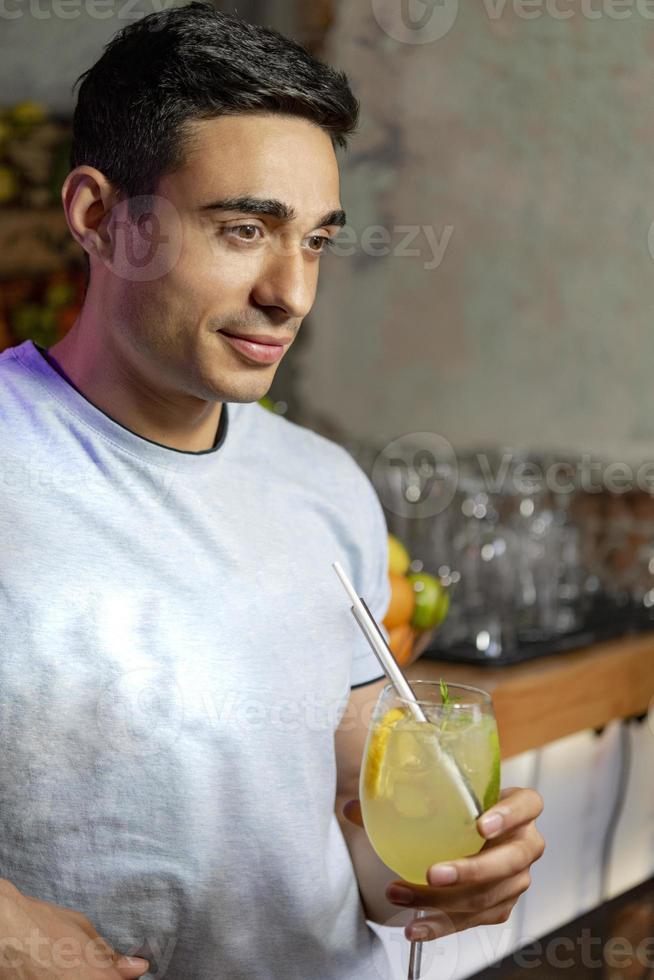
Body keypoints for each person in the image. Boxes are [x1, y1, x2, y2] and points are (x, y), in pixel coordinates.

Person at [0, 4, 544, 978]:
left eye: (317, 240)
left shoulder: (322, 482)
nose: (291, 291)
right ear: (98, 217)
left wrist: (449, 872)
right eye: (245, 228)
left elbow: (355, 822)